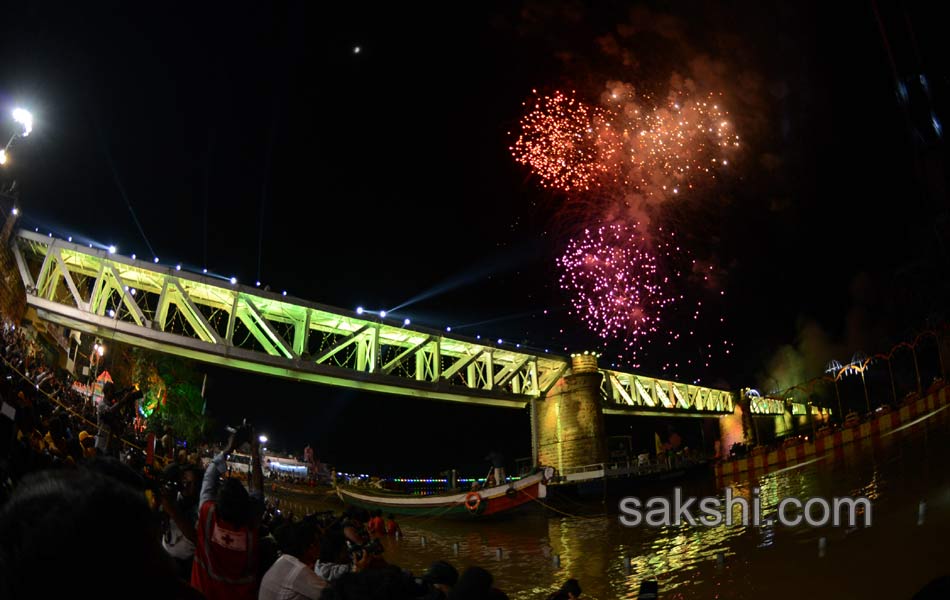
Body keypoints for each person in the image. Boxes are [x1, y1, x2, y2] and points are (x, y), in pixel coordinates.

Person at [191, 425, 265, 600]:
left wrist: (228, 448)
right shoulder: (251, 524)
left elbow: (210, 477)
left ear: (218, 503)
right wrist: (255, 450)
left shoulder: (208, 515)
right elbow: (258, 491)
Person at [258, 521, 327, 600]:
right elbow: (331, 595)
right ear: (310, 546)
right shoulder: (298, 569)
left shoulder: (284, 560)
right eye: (319, 542)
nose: (321, 547)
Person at [161, 463, 202, 580]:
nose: (186, 485)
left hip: (185, 568)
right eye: (184, 481)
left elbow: (195, 537)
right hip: (166, 558)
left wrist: (172, 511)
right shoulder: (175, 497)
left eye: (191, 483)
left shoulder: (200, 507)